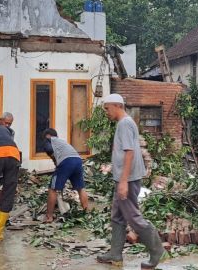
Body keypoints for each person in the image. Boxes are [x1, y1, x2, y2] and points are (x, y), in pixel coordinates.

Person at [97, 94, 167, 269]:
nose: (106, 112)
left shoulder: (125, 123)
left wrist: (123, 182)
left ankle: (158, 251)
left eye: (107, 108)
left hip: (127, 180)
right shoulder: (124, 123)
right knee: (118, 217)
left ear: (117, 105)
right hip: (123, 177)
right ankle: (115, 254)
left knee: (133, 217)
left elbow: (129, 152)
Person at [42, 128, 89, 222]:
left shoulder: (49, 140)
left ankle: (49, 217)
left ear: (48, 136)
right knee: (80, 188)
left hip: (67, 162)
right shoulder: (62, 142)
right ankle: (87, 213)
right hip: (78, 160)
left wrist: (55, 160)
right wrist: (56, 161)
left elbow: (49, 149)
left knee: (53, 189)